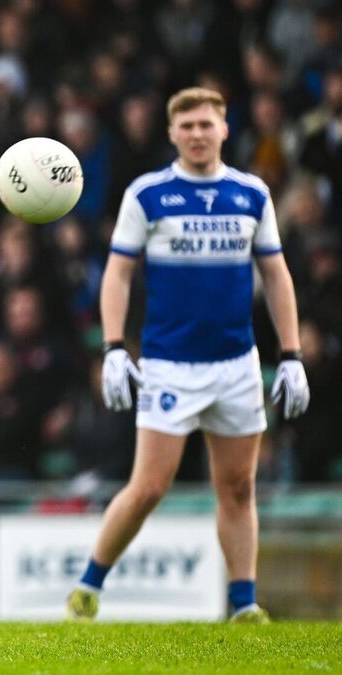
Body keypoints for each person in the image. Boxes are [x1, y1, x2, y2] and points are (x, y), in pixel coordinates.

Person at [66, 88, 310, 624]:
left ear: (224, 129)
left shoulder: (251, 194)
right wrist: (112, 347)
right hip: (170, 364)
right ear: (172, 133)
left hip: (236, 364)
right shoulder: (147, 195)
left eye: (206, 124)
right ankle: (88, 586)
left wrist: (291, 353)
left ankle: (244, 604)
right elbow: (118, 274)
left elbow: (276, 275)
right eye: (187, 125)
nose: (197, 133)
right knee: (149, 487)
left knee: (238, 487)